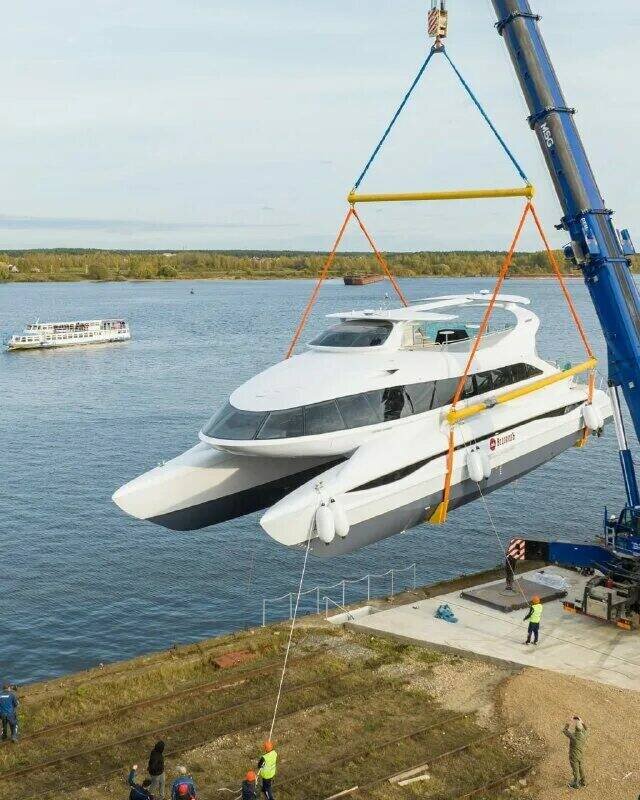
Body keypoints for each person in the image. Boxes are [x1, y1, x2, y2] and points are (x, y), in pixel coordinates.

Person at [563, 716, 588, 789]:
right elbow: (587, 729)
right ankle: (583, 782)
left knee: (575, 770)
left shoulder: (573, 737)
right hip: (580, 755)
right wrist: (582, 722)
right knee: (581, 768)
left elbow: (565, 730)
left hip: (574, 756)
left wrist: (569, 722)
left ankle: (576, 784)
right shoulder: (584, 735)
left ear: (575, 729)